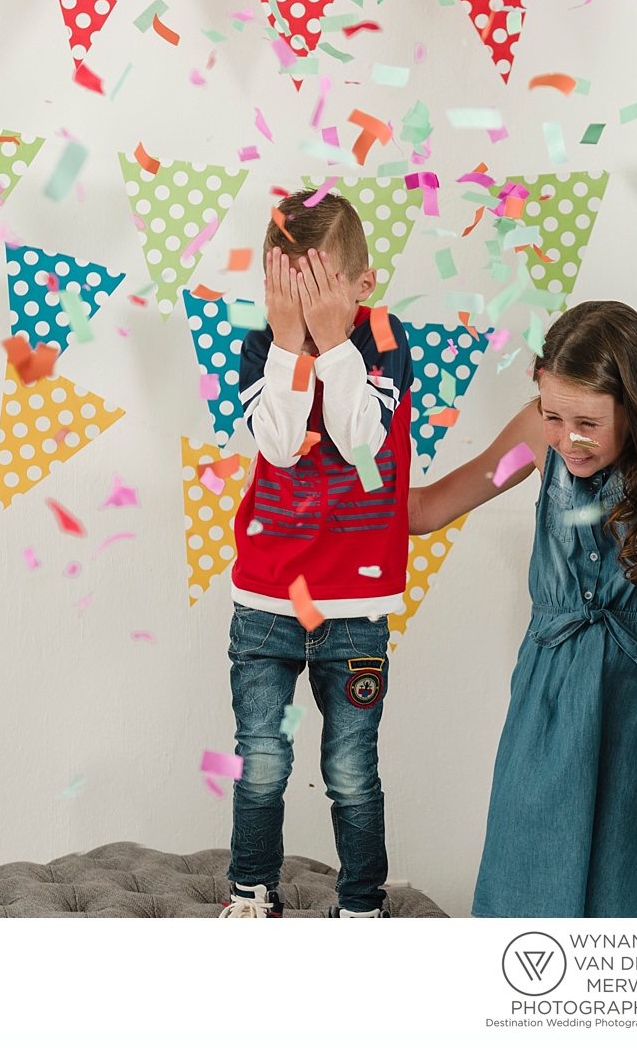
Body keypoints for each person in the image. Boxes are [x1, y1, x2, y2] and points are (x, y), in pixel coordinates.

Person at [408, 300, 637, 916]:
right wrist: (321, 505)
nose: (567, 437)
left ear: (634, 402)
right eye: (554, 414)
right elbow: (427, 510)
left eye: (588, 420)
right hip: (550, 695)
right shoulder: (536, 435)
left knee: (636, 879)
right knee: (530, 861)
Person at [219, 192, 413, 919]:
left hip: (355, 607)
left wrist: (333, 345)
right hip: (268, 600)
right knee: (262, 762)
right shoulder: (260, 347)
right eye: (288, 287)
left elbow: (362, 445)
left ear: (361, 285)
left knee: (351, 768)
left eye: (320, 287)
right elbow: (275, 443)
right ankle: (251, 893)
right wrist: (288, 342)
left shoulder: (385, 339)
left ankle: (361, 905)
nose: (302, 304)